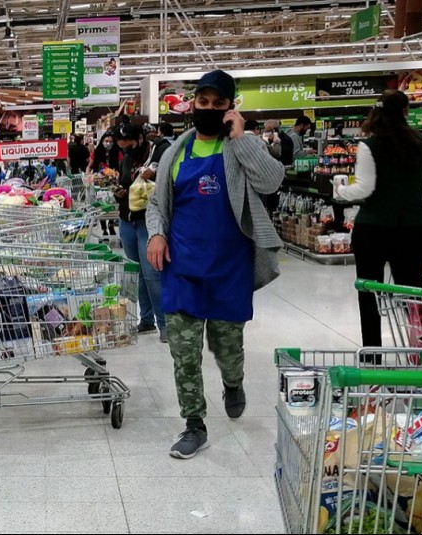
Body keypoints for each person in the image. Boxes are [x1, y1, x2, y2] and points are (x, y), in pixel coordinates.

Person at [146, 69, 285, 459]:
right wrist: (157, 233)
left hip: (229, 268)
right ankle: (194, 424)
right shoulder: (175, 151)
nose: (208, 108)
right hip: (182, 267)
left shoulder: (241, 148)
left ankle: (234, 381)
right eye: (202, 102)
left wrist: (242, 139)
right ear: (192, 104)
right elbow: (158, 203)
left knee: (227, 347)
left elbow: (272, 181)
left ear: (230, 108)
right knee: (184, 354)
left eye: (217, 103)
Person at [333, 89, 422, 349]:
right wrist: (419, 205)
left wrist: (340, 191)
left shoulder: (369, 145)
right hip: (414, 229)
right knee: (414, 295)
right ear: (406, 111)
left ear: (377, 111)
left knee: (369, 292)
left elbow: (365, 188)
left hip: (373, 228)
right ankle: (421, 354)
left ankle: (372, 356)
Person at [115, 123, 167, 343]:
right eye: (122, 147)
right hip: (127, 220)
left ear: (140, 139)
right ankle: (146, 320)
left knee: (152, 273)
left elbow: (169, 181)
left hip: (148, 221)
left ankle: (165, 324)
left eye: (129, 145)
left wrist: (152, 175)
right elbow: (126, 183)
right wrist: (120, 193)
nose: (126, 149)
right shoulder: (127, 159)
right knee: (138, 274)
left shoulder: (160, 150)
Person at [88, 132, 121, 238]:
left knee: (112, 205)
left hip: (113, 183)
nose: (108, 143)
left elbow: (123, 166)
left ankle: (111, 225)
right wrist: (89, 175)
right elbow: (89, 166)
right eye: (106, 141)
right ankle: (103, 227)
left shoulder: (117, 153)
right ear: (102, 141)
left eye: (111, 141)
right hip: (99, 184)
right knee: (101, 205)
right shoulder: (96, 153)